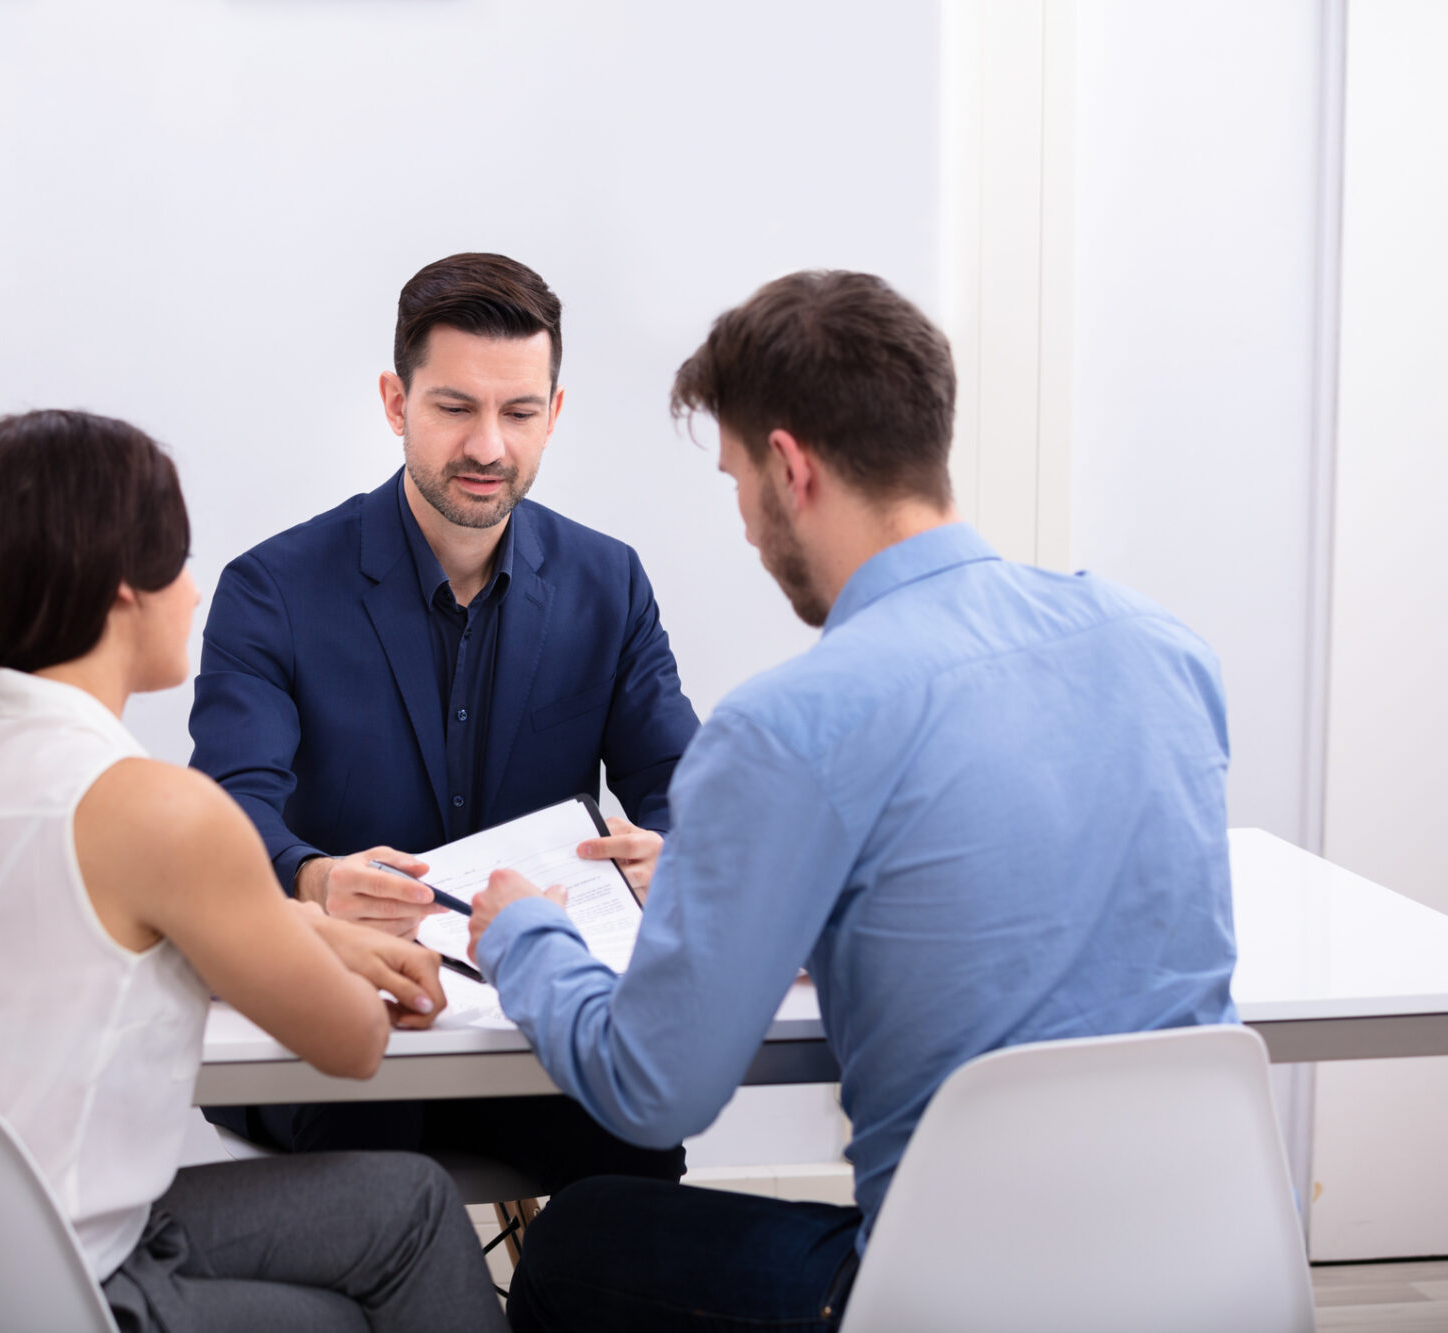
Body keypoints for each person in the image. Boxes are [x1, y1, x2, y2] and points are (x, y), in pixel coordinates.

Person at [466, 271, 1239, 1331]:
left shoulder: (791, 723)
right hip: (1220, 1267)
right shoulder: (1161, 648)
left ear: (791, 470)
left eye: (738, 480)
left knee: (580, 1235)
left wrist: (525, 935)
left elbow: (653, 1088)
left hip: (953, 1300)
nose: (746, 527)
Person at [0, 410, 505, 1333]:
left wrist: (289, 925)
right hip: (58, 1290)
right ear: (123, 587)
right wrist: (310, 943)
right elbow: (355, 1043)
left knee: (407, 1204)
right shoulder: (156, 810)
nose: (193, 592)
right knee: (379, 1266)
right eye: (178, 562)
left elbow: (86, 930)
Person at [190, 253, 701, 1189]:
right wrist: (311, 878)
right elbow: (225, 815)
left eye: (520, 412)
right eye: (455, 407)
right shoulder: (271, 591)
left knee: (637, 1161)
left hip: (531, 1017)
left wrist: (677, 855)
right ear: (396, 403)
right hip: (345, 1026)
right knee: (384, 1182)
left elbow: (687, 791)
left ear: (555, 412)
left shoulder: (609, 584)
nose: (488, 447)